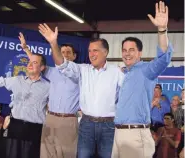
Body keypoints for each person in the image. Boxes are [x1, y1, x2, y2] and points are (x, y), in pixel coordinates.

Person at [38, 24, 125, 157]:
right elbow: (62, 64)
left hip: (109, 125)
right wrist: (53, 43)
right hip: (87, 124)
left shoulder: (117, 72)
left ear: (105, 52)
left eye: (95, 50)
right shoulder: (82, 70)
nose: (91, 54)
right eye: (89, 51)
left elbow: (126, 97)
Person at [111, 1, 173, 158]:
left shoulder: (146, 70)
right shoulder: (124, 73)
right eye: (124, 50)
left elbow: (164, 58)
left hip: (135, 135)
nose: (127, 53)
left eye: (132, 50)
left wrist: (161, 29)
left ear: (140, 53)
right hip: (118, 134)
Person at [19, 32, 80, 158]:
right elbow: (36, 64)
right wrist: (26, 49)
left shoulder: (80, 73)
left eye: (68, 52)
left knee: (66, 154)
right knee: (46, 154)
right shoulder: (52, 72)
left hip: (68, 121)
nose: (64, 55)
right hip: (50, 119)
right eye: (62, 52)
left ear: (74, 56)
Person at [0, 54, 50, 158]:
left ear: (42, 68)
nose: (30, 64)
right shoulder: (17, 80)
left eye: (35, 62)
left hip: (35, 130)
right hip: (15, 127)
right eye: (29, 62)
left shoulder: (48, 87)